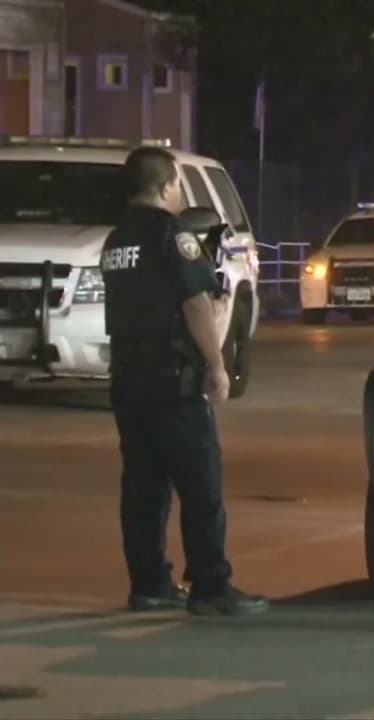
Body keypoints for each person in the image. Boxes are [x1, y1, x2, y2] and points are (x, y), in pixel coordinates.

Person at [102, 146, 269, 615]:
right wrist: (216, 365)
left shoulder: (116, 240)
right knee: (201, 484)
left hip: (129, 380)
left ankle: (150, 583)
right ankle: (211, 585)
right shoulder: (171, 235)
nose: (179, 193)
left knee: (143, 487)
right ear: (164, 186)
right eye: (178, 184)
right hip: (173, 379)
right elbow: (196, 303)